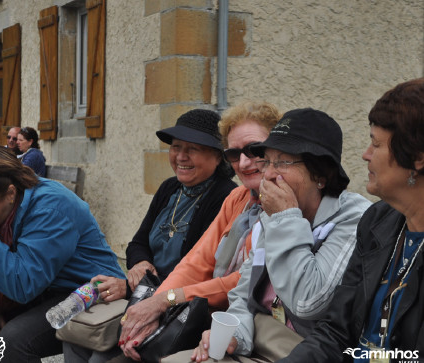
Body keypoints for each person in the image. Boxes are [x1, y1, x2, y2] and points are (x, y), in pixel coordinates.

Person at [192, 108, 371, 362]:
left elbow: (308, 302)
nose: (269, 174)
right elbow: (242, 295)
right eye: (268, 161)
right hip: (260, 342)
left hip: (307, 353)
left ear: (320, 175)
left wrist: (286, 218)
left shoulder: (354, 218)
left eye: (283, 162)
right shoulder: (271, 216)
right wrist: (235, 335)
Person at [63, 109, 238, 361]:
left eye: (193, 149)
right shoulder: (170, 188)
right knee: (75, 339)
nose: (181, 156)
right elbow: (138, 242)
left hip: (182, 308)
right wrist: (140, 263)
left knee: (102, 356)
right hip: (144, 293)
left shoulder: (224, 197)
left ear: (218, 156)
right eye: (176, 147)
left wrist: (129, 286)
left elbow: (197, 269)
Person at [118, 101, 283, 361]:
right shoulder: (238, 198)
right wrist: (156, 304)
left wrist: (162, 302)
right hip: (202, 312)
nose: (243, 161)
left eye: (254, 149)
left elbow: (242, 282)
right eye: (234, 153)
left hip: (245, 326)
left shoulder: (275, 203)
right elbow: (197, 260)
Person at [277, 79, 424, 362]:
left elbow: (306, 301)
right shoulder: (378, 221)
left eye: (376, 143)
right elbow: (335, 332)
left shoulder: (355, 216)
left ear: (417, 158)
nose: (365, 154)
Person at [0, 144, 126, 362]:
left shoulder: (51, 207)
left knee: (11, 342)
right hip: (34, 289)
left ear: (10, 193)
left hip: (83, 293)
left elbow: (23, 285)